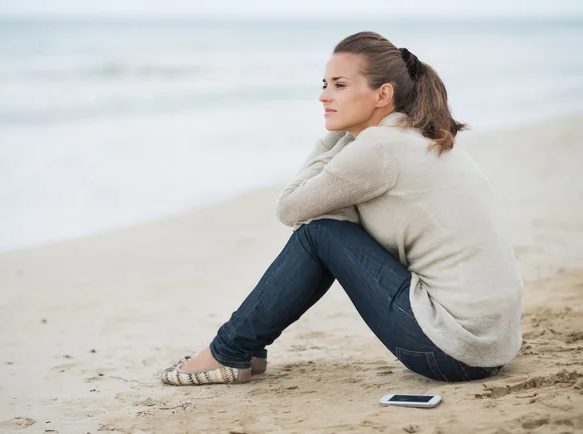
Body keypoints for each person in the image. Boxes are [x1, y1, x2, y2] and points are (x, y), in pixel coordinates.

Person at [160, 31, 523, 386]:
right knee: (328, 227)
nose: (323, 96)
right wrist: (351, 130)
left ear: (383, 94)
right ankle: (244, 346)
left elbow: (290, 207)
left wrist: (337, 136)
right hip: (491, 345)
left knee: (318, 233)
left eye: (339, 85)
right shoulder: (416, 136)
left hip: (452, 351)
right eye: (324, 84)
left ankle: (229, 350)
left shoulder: (379, 148)